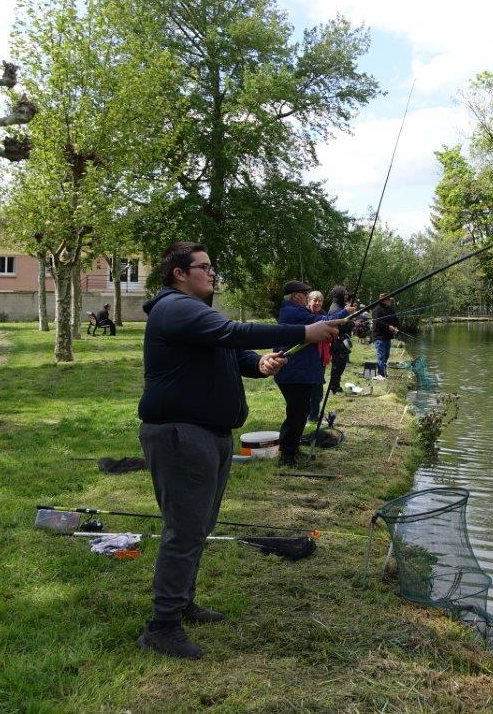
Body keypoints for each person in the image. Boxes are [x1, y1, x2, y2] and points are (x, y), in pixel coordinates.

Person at [135, 243, 339, 660]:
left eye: (212, 267)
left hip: (210, 434)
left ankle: (182, 603)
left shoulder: (196, 314)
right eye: (204, 267)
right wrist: (302, 332)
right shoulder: (173, 308)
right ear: (178, 273)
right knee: (185, 529)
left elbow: (233, 350)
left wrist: (259, 364)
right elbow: (234, 332)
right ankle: (162, 626)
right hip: (181, 435)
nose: (212, 274)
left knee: (200, 525)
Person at [275, 283, 352, 466]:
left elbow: (320, 323)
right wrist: (345, 312)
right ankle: (286, 456)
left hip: (299, 372)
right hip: (295, 374)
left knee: (300, 413)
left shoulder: (295, 311)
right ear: (295, 296)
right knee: (296, 414)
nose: (307, 296)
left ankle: (292, 450)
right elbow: (323, 321)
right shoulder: (293, 312)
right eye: (304, 294)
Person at [326, 285, 353, 395]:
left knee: (341, 365)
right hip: (337, 342)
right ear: (339, 295)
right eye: (345, 294)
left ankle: (336, 385)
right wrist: (351, 323)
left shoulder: (340, 307)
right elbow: (338, 327)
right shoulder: (335, 308)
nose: (347, 295)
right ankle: (334, 387)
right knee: (337, 366)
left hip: (341, 341)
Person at [371, 293, 400, 378]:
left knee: (386, 355)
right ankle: (381, 374)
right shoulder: (377, 310)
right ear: (384, 300)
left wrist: (396, 327)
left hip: (387, 337)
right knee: (381, 355)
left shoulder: (390, 309)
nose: (391, 302)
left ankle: (383, 372)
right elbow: (377, 323)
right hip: (379, 337)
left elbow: (395, 319)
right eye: (389, 300)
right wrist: (388, 327)